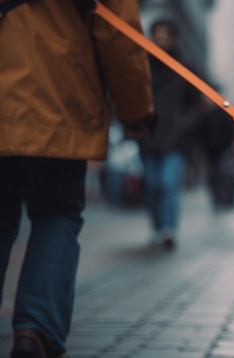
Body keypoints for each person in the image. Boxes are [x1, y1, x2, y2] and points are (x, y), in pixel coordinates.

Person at [0, 1, 155, 357]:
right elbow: (118, 35)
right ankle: (35, 330)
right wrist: (136, 110)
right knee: (56, 214)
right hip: (56, 98)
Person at [139, 19, 204, 249]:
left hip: (175, 140)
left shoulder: (185, 68)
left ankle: (168, 229)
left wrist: (182, 125)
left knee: (168, 183)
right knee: (152, 185)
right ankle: (157, 228)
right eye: (158, 34)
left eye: (166, 34)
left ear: (174, 37)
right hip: (147, 136)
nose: (162, 39)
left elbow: (197, 105)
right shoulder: (143, 66)